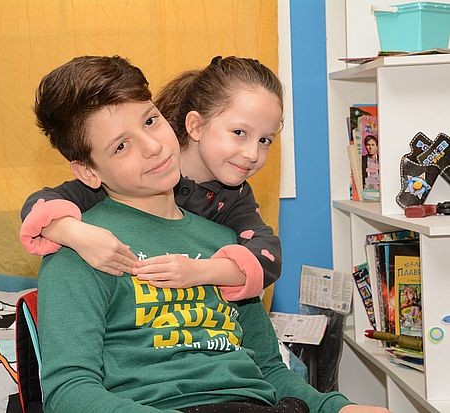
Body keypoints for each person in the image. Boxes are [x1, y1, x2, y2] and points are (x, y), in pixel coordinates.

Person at [34, 55, 390, 413]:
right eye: (121, 146)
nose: (153, 146)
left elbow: (269, 370)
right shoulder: (84, 249)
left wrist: (336, 407)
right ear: (88, 172)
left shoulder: (228, 246)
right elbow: (68, 392)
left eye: (150, 121)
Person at [19, 56, 282, 299]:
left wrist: (201, 271)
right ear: (195, 126)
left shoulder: (234, 197)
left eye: (150, 121)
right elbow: (39, 206)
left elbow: (268, 256)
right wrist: (77, 235)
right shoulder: (113, 183)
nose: (252, 154)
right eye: (121, 146)